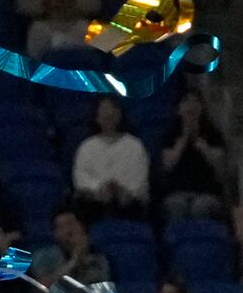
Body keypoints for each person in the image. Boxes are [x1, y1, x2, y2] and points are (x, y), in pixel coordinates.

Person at [73, 97, 150, 220]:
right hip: (95, 202)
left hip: (128, 202)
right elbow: (81, 177)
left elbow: (140, 178)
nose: (108, 114)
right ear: (96, 116)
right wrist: (100, 188)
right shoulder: (86, 146)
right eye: (104, 110)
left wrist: (121, 190)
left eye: (112, 109)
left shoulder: (134, 145)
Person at [159, 91, 228, 221]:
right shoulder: (170, 135)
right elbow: (168, 164)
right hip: (177, 192)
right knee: (176, 206)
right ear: (178, 109)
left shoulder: (212, 134)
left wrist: (204, 147)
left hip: (207, 193)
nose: (191, 106)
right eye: (186, 102)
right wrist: (184, 140)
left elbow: (220, 166)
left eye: (195, 102)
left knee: (201, 207)